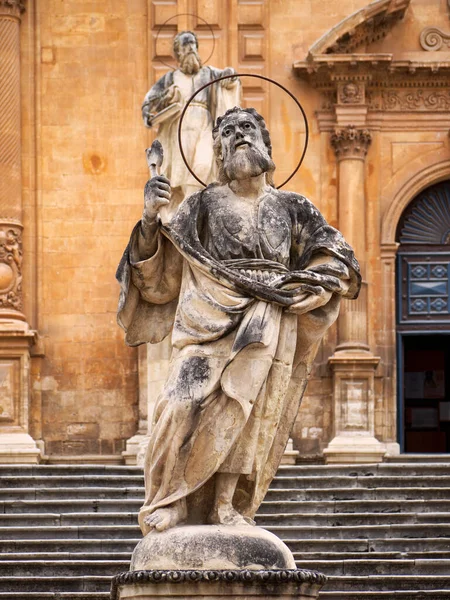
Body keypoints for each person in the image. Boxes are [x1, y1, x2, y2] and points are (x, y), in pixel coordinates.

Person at [117, 106, 361, 536]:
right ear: (219, 151)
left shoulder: (293, 207)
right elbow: (162, 279)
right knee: (181, 401)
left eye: (247, 128)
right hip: (207, 318)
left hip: (268, 320)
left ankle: (226, 506)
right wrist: (151, 221)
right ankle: (170, 498)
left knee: (242, 411)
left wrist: (319, 283)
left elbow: (335, 257)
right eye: (228, 132)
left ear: (266, 143)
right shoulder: (202, 205)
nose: (239, 136)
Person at [142, 30, 240, 213]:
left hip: (205, 124)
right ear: (178, 54)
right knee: (181, 170)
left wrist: (231, 76)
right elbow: (149, 103)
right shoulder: (170, 79)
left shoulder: (209, 73)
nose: (190, 51)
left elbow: (228, 79)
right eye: (185, 48)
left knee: (203, 164)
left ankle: (189, 208)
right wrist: (163, 99)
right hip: (180, 128)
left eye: (193, 47)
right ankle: (186, 210)